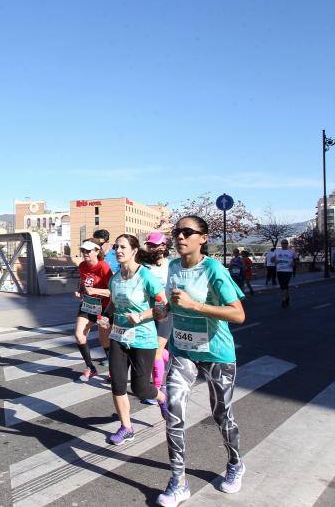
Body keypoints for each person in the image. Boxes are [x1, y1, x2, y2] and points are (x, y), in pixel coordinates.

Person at [157, 215, 246, 506]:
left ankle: (234, 463)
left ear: (203, 238)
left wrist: (196, 305)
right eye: (176, 232)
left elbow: (238, 314)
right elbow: (171, 306)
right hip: (183, 351)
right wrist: (162, 310)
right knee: (173, 411)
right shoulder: (172, 267)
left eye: (187, 232)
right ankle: (178, 481)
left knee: (221, 415)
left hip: (216, 353)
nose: (180, 237)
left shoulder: (213, 269)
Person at [100, 234, 169, 446]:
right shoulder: (115, 278)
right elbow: (113, 304)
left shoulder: (145, 276)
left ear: (134, 251)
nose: (118, 251)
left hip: (143, 339)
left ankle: (162, 398)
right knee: (118, 385)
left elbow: (163, 307)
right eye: (115, 247)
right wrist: (106, 317)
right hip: (119, 337)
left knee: (141, 389)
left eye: (122, 247)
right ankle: (126, 427)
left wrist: (141, 316)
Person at [74, 239, 112, 382]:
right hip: (88, 305)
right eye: (83, 250)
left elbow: (112, 291)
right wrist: (79, 290)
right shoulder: (82, 265)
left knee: (104, 340)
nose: (85, 254)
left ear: (97, 251)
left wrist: (94, 290)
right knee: (79, 335)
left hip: (104, 308)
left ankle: (113, 369)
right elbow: (82, 282)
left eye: (88, 251)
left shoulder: (104, 267)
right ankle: (90, 367)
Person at [142, 231, 171, 405]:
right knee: (156, 351)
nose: (152, 248)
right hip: (148, 312)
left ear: (163, 246)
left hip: (166, 312)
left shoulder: (172, 265)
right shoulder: (143, 265)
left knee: (155, 351)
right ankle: (175, 363)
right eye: (149, 245)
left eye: (155, 245)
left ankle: (158, 388)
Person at [274, 238, 297, 308]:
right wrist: (274, 260)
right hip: (279, 270)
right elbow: (273, 259)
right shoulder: (277, 251)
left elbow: (296, 259)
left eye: (285, 243)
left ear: (287, 244)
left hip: (288, 271)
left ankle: (284, 300)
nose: (284, 244)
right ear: (281, 244)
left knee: (285, 284)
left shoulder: (292, 251)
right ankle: (287, 297)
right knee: (282, 286)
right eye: (283, 243)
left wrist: (294, 263)